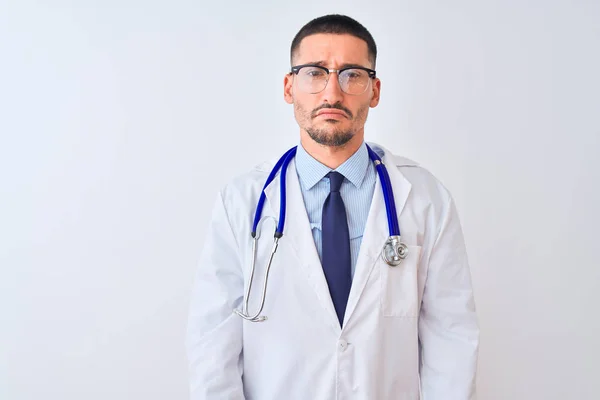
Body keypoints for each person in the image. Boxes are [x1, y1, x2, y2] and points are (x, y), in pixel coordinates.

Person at [186, 14, 479, 400]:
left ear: (374, 91)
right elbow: (213, 345)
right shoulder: (242, 201)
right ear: (290, 87)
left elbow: (451, 341)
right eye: (314, 73)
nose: (332, 94)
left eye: (352, 75)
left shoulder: (425, 199)